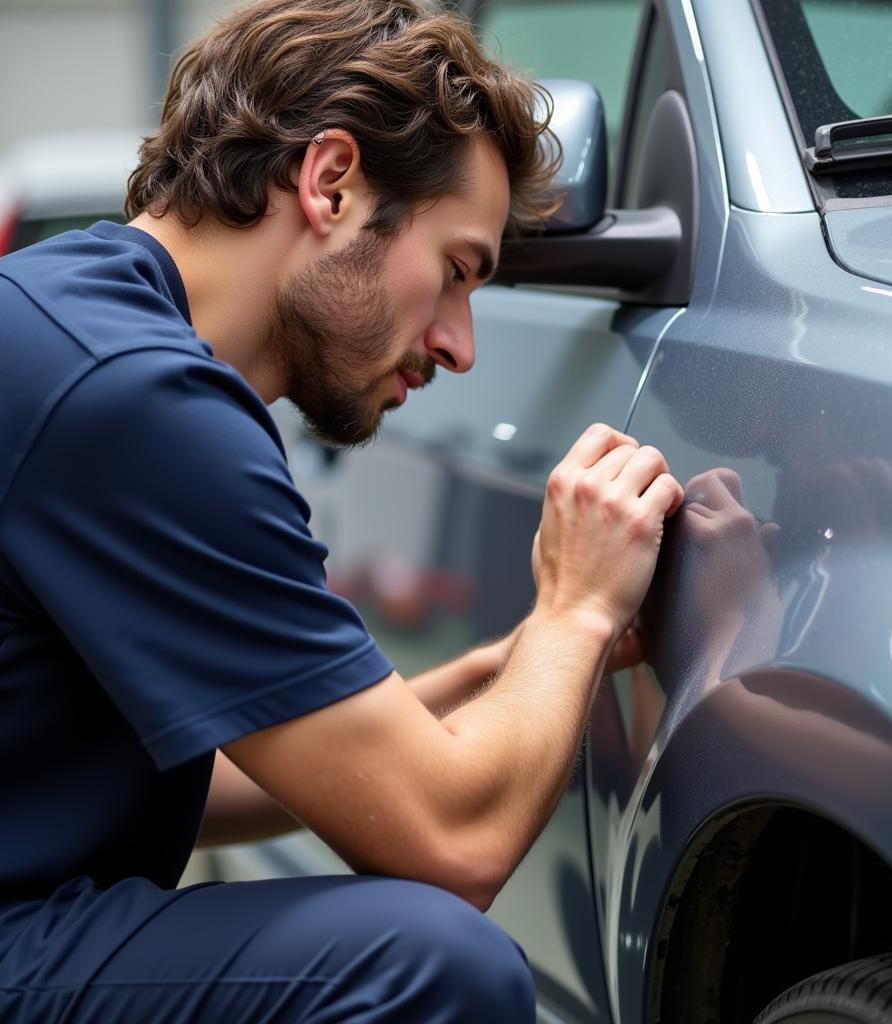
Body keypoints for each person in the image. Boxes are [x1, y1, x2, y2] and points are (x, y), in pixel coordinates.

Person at [0, 0, 684, 1020]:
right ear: (331, 183)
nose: (459, 344)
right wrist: (573, 610)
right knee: (429, 959)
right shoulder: (138, 402)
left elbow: (220, 778)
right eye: (455, 271)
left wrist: (490, 678)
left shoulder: (74, 321)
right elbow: (453, 850)